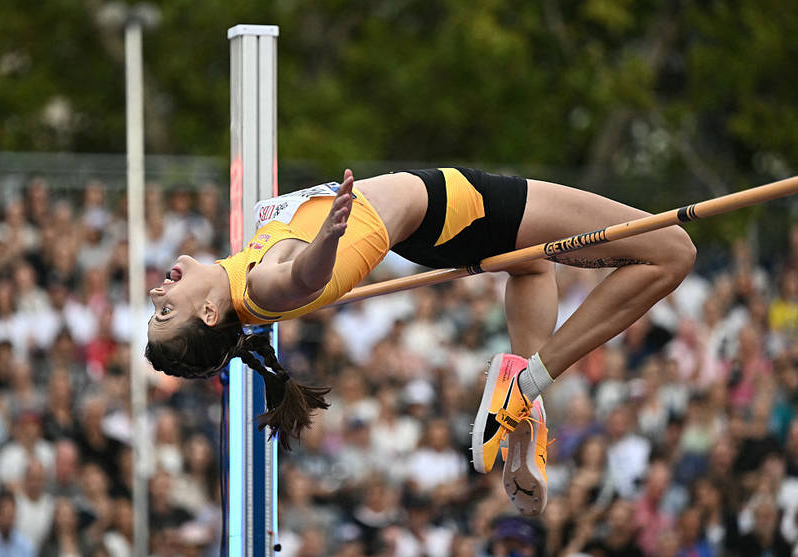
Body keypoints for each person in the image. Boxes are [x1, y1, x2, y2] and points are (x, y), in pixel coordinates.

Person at [145, 168, 696, 515]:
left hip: (431, 230)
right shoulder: (261, 287)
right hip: (453, 206)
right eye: (166, 312)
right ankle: (527, 383)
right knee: (671, 251)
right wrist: (327, 240)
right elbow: (299, 279)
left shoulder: (242, 282)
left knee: (531, 268)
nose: (156, 292)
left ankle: (526, 413)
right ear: (210, 313)